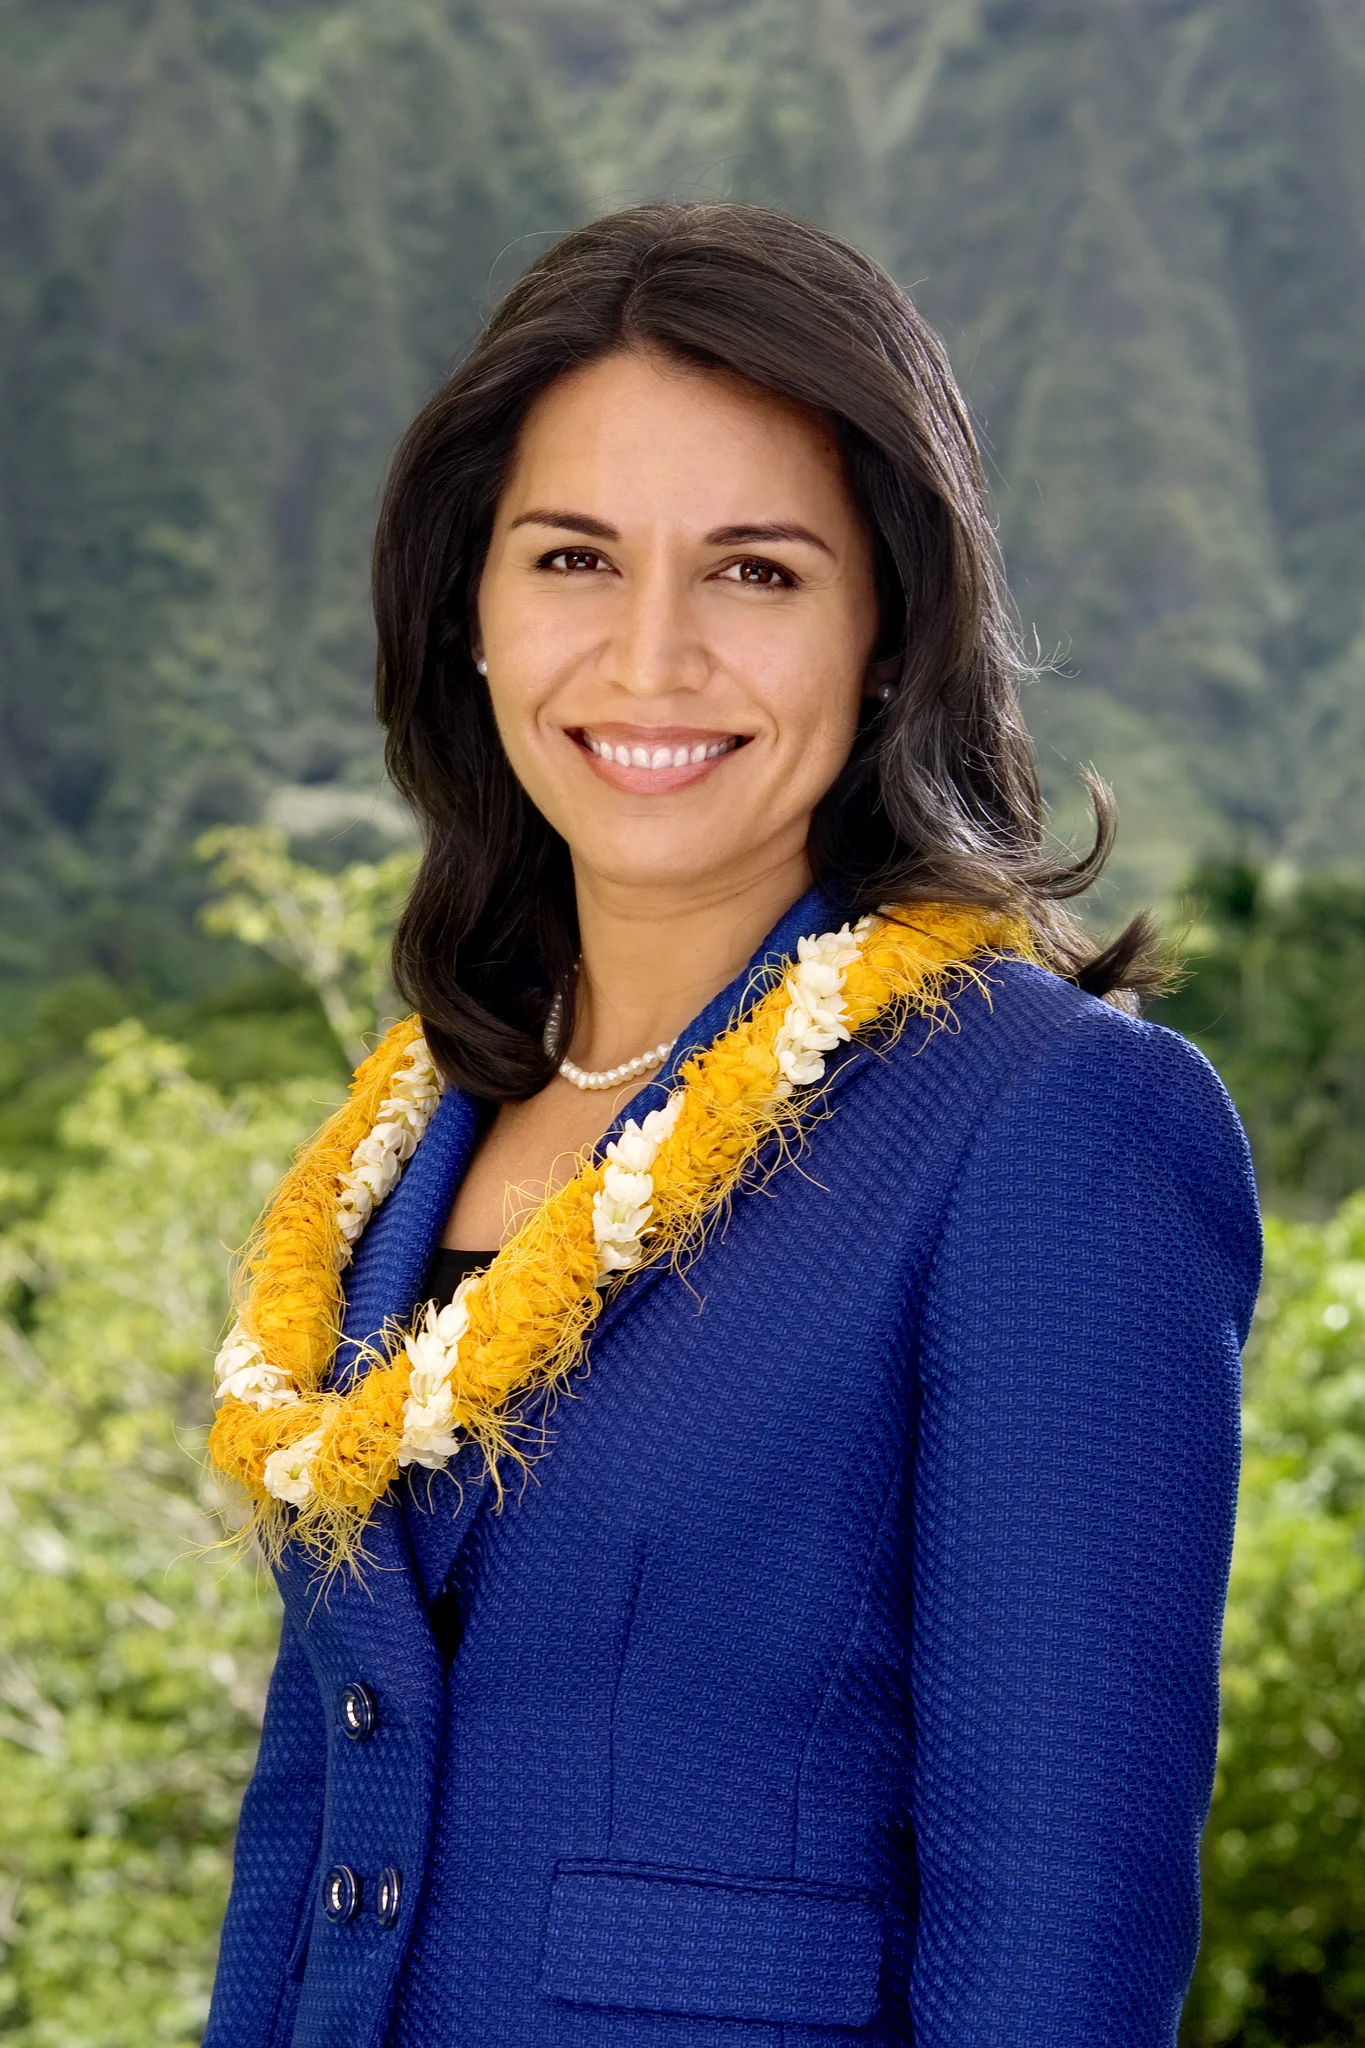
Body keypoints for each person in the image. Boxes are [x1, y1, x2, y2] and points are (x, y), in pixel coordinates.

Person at [203, 203, 1259, 2048]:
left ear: (887, 632)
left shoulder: (1056, 1127)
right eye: (573, 557)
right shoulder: (420, 1123)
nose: (650, 657)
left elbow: (1062, 1945)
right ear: (467, 610)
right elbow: (319, 1830)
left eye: (757, 572)